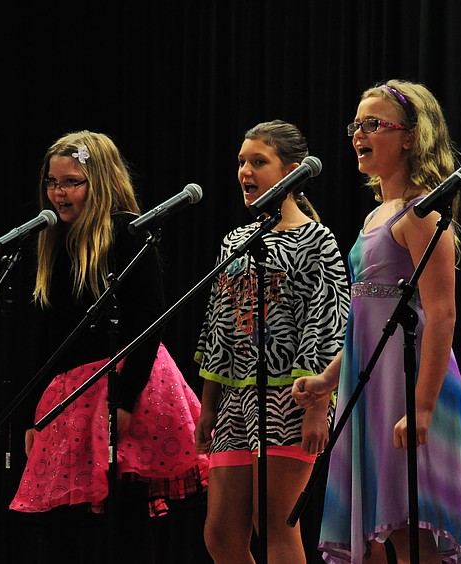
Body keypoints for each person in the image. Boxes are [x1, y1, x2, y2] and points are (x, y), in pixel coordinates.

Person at [292, 80, 461, 564]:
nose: (359, 134)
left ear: (411, 137)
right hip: (372, 387)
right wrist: (328, 380)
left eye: (373, 124)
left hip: (411, 384)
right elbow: (366, 322)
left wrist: (421, 407)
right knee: (379, 534)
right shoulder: (375, 216)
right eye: (356, 125)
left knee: (411, 531)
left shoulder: (422, 213)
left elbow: (442, 314)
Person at [8, 130, 209, 563]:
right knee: (60, 519)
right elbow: (48, 340)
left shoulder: (127, 234)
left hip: (123, 382)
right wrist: (32, 416)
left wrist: (126, 400)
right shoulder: (54, 241)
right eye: (52, 182)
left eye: (71, 182)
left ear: (98, 183)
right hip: (70, 393)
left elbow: (149, 320)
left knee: (125, 512)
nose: (59, 193)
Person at [193, 120, 350, 564]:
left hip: (292, 395)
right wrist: (208, 405)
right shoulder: (236, 241)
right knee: (221, 534)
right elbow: (219, 327)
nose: (245, 171)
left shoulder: (316, 239)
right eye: (241, 162)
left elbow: (328, 322)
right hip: (234, 397)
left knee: (275, 522)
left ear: (292, 173)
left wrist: (318, 407)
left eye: (259, 162)